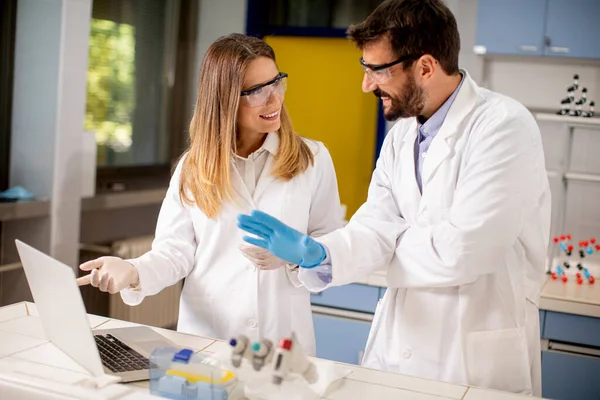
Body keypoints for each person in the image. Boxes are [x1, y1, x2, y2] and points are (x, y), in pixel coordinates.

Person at [237, 0, 551, 395]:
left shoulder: (504, 127)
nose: (366, 85)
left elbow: (464, 251)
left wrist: (389, 246)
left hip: (470, 358)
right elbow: (375, 226)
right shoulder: (403, 135)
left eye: (377, 71)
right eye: (364, 69)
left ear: (424, 67)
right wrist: (318, 253)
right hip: (398, 349)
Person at [77, 33, 344, 356]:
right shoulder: (194, 167)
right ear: (225, 99)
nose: (274, 100)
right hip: (208, 341)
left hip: (283, 348)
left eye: (276, 83)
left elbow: (330, 252)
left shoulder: (312, 160)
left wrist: (295, 258)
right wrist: (132, 270)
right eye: (257, 92)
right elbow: (175, 252)